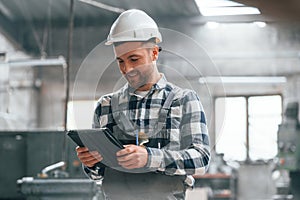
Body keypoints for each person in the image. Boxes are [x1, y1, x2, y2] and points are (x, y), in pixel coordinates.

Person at [76, 9, 210, 200]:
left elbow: (201, 160)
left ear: (154, 53)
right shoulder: (105, 105)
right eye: (120, 61)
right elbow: (97, 175)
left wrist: (150, 158)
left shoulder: (184, 100)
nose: (127, 69)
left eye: (134, 59)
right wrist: (91, 163)